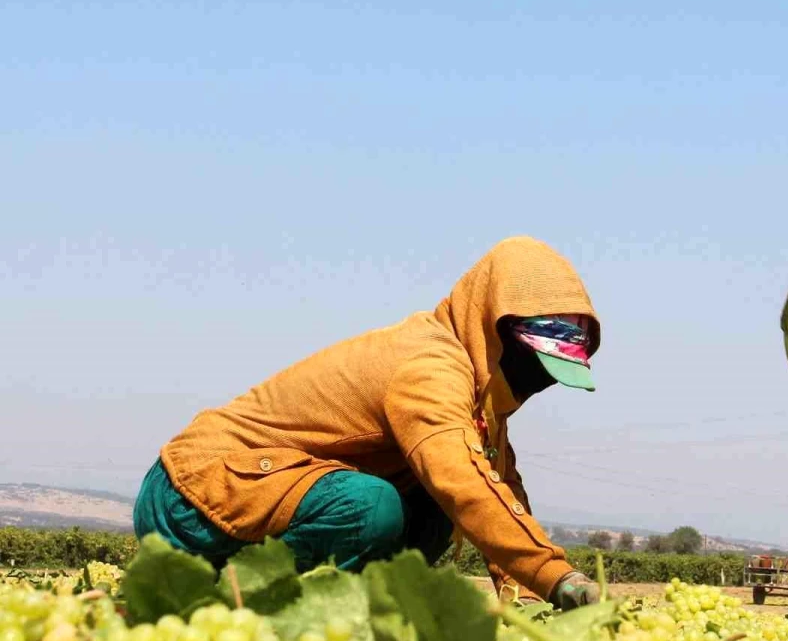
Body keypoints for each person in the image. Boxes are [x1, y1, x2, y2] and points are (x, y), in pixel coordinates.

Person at [133, 237, 603, 610]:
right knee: (373, 507)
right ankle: (236, 604)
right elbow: (465, 482)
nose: (539, 381)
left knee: (433, 510)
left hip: (256, 493)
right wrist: (557, 576)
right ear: (495, 328)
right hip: (192, 492)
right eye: (538, 362)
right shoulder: (430, 368)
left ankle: (339, 605)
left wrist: (526, 593)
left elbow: (497, 489)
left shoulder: (477, 403)